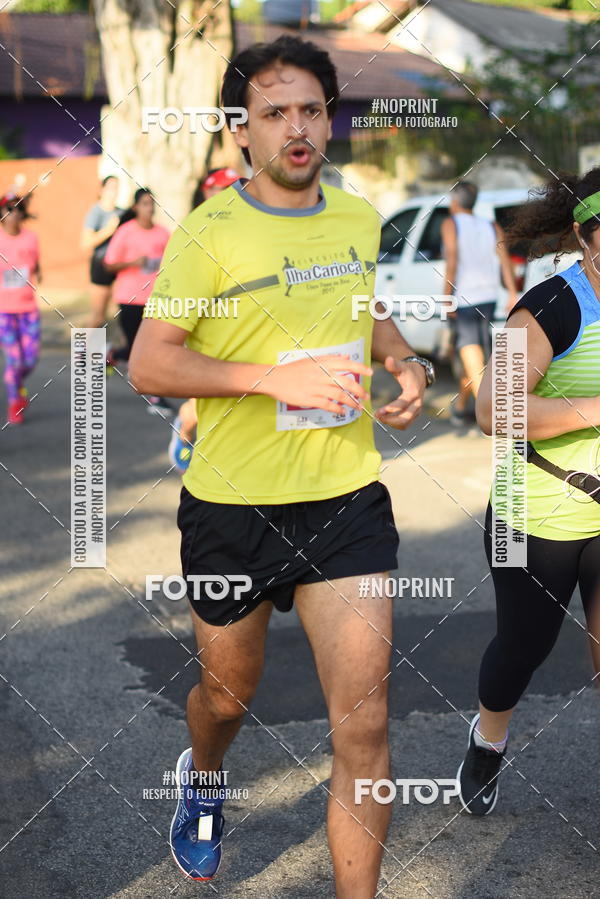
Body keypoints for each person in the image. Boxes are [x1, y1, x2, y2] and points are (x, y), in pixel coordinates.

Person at [130, 34, 435, 892]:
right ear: (242, 129)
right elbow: (150, 362)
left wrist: (403, 359)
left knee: (364, 726)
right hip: (233, 506)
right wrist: (273, 378)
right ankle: (204, 776)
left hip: (346, 499)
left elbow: (363, 307)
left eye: (310, 110)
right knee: (227, 697)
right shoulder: (209, 232)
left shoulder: (357, 217)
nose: (295, 127)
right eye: (274, 113)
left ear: (329, 120)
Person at [457, 168, 600, 816]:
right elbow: (493, 407)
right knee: (524, 647)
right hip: (530, 509)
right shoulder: (551, 306)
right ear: (583, 237)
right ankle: (488, 739)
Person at [169, 167, 240, 472]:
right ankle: (184, 430)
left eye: (235, 188)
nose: (230, 195)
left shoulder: (248, 227)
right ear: (207, 192)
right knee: (205, 398)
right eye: (223, 188)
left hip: (241, 322)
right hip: (205, 322)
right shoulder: (194, 230)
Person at [441, 181, 518, 427]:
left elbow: (452, 260)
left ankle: (491, 416)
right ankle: (460, 408)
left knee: (470, 352)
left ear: (455, 201)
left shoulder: (451, 224)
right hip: (488, 298)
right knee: (472, 357)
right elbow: (505, 261)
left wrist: (446, 297)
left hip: (464, 298)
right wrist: (512, 293)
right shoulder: (491, 226)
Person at [103, 187, 172, 415]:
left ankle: (112, 356)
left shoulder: (163, 234)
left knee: (150, 348)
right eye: (144, 204)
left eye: (152, 204)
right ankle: (154, 395)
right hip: (129, 298)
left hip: (156, 299)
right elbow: (108, 264)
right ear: (135, 207)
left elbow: (172, 263)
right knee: (138, 350)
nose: (149, 208)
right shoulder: (126, 232)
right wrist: (133, 263)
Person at [0, 193, 41, 425]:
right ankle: (15, 402)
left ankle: (17, 384)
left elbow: (36, 264)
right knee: (14, 361)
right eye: (9, 209)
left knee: (30, 360)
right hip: (4, 311)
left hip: (28, 309)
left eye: (18, 209)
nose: (14, 214)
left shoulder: (31, 238)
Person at [81, 175, 122, 328]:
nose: (114, 192)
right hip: (100, 266)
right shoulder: (96, 212)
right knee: (97, 317)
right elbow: (85, 243)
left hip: (119, 267)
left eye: (116, 188)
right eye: (110, 188)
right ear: (102, 190)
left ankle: (103, 344)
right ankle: (81, 345)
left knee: (114, 318)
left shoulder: (121, 212)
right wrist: (108, 230)